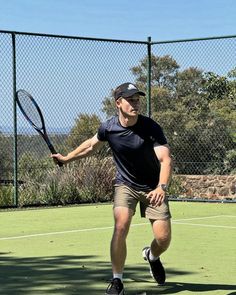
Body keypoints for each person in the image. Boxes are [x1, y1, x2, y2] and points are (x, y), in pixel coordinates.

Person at [51, 82, 172, 295]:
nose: (135, 103)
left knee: (163, 239)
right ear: (118, 103)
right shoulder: (109, 128)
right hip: (125, 184)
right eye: (130, 100)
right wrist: (67, 158)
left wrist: (161, 187)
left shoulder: (150, 127)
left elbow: (165, 159)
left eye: (137, 99)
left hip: (153, 187)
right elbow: (90, 146)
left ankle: (151, 256)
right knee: (120, 226)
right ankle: (117, 281)